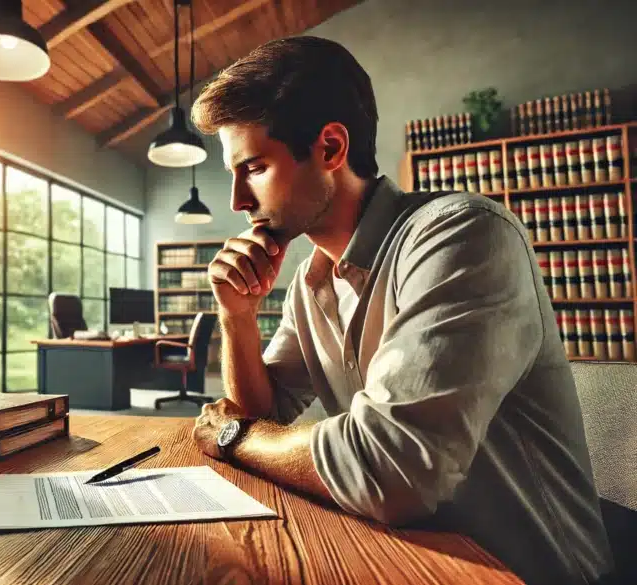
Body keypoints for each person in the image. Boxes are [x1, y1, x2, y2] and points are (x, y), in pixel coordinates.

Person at [188, 35, 612, 585]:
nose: (237, 203)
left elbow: (389, 469)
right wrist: (237, 317)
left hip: (527, 571)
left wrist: (233, 438)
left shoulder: (462, 235)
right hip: (410, 558)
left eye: (253, 168)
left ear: (331, 149)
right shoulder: (309, 281)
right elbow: (263, 415)